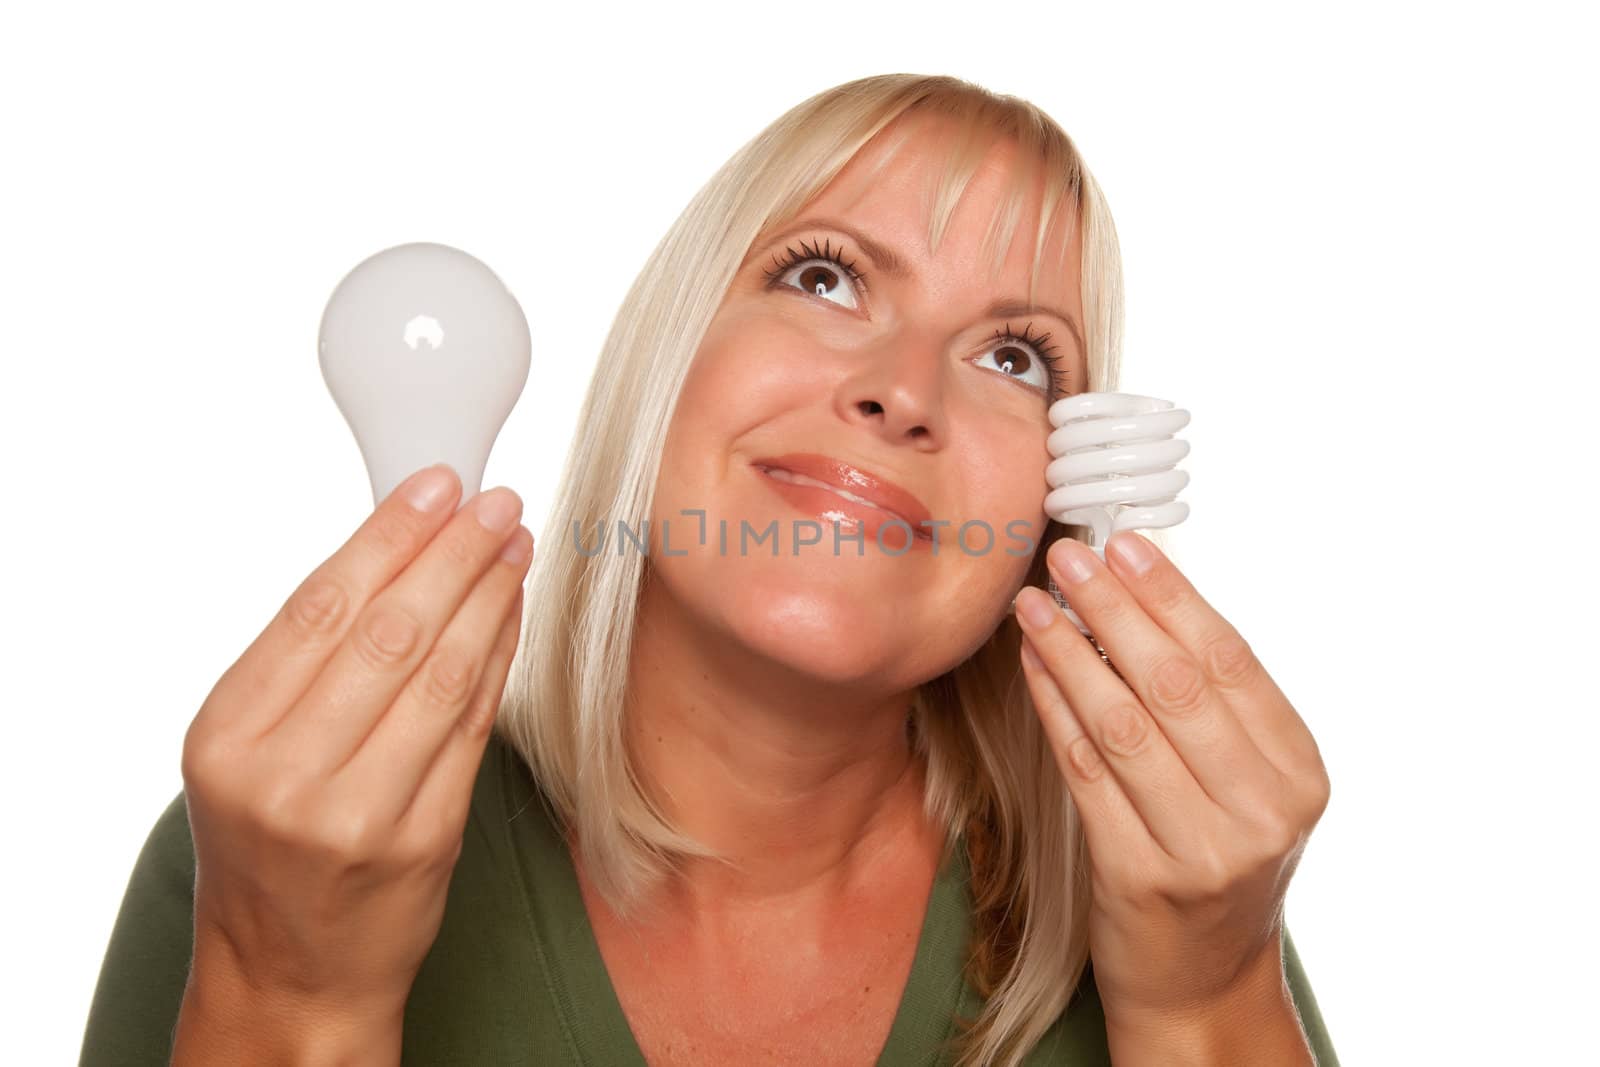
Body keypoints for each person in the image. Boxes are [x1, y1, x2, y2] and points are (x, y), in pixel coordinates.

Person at [81, 73, 1339, 1066]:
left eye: (1015, 357)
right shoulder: (270, 858)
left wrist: (1211, 1002)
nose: (902, 390)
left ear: (1055, 505)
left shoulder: (1166, 902)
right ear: (665, 357)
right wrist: (291, 992)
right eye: (826, 275)